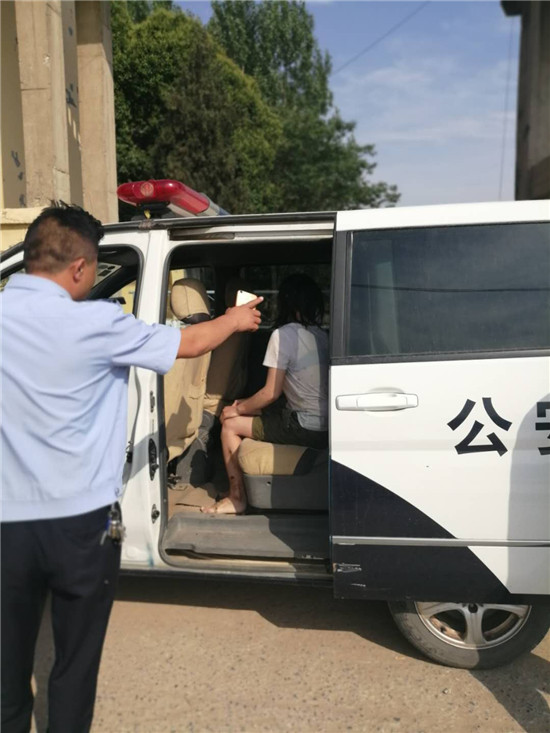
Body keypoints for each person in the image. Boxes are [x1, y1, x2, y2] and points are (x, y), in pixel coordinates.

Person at [0, 204, 262, 733]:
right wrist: (236, 320)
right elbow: (190, 343)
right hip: (81, 527)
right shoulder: (99, 323)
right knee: (74, 666)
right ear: (79, 267)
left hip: (6, 526)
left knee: (6, 670)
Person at [202, 273, 328, 515]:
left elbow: (271, 393)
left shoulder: (283, 335)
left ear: (285, 303)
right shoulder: (322, 336)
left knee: (229, 424)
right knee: (248, 408)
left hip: (303, 427)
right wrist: (245, 405)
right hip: (324, 427)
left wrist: (236, 410)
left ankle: (236, 497)